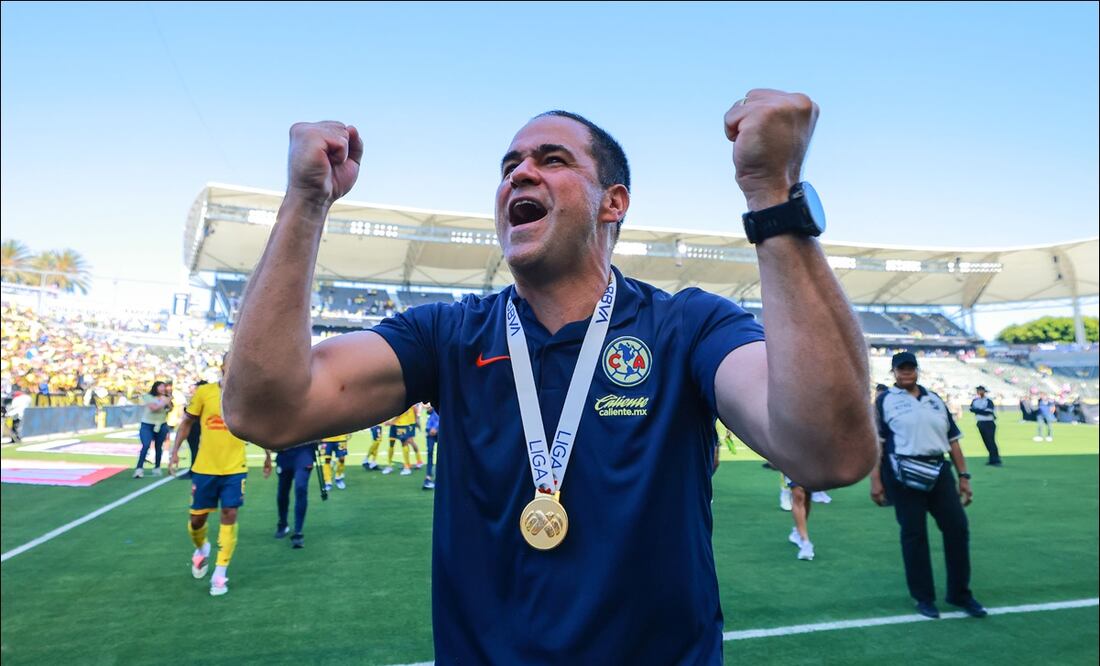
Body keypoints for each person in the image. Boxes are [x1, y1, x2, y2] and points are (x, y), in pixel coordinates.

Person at [225, 91, 878, 662]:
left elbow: (829, 449)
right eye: (509, 167)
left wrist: (771, 191)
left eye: (552, 160)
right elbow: (268, 411)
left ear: (612, 203)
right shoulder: (448, 335)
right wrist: (307, 201)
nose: (520, 174)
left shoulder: (687, 328)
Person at [870, 351, 987, 619]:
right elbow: (877, 443)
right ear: (893, 373)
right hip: (902, 473)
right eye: (901, 369)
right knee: (914, 535)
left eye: (910, 368)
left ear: (918, 370)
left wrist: (964, 476)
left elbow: (953, 440)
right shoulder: (884, 401)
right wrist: (875, 481)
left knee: (957, 528)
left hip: (938, 469)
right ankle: (924, 597)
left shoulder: (935, 399)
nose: (906, 372)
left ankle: (960, 593)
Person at [168, 357, 272, 596]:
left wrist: (267, 455)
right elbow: (186, 423)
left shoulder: (247, 396)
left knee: (230, 513)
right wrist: (175, 452)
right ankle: (201, 547)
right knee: (197, 520)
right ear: (224, 367)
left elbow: (257, 426)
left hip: (235, 468)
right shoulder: (204, 392)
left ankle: (220, 574)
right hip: (205, 468)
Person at [274, 441, 318, 548]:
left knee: (301, 487)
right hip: (284, 451)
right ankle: (283, 523)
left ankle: (298, 531)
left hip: (304, 450)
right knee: (282, 491)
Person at [134, 381, 172, 478]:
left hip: (161, 424)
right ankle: (139, 468)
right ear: (156, 387)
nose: (163, 389)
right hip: (147, 424)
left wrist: (168, 401)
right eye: (161, 387)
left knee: (159, 446)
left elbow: (170, 408)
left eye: (164, 387)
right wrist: (164, 401)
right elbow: (153, 408)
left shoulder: (166, 397)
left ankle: (157, 467)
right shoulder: (148, 396)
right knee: (146, 445)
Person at [382, 405, 420, 476]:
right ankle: (389, 465)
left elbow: (402, 411)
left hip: (403, 424)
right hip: (394, 424)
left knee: (404, 444)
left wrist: (391, 422)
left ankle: (407, 467)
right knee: (391, 444)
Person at [784, 475, 815, 560]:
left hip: (812, 463)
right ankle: (805, 542)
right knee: (799, 495)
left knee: (807, 495)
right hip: (792, 463)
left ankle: (798, 531)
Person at [969, 386, 1002, 466]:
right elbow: (971, 409)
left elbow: (988, 411)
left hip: (989, 422)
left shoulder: (988, 401)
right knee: (986, 441)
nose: (979, 392)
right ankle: (992, 459)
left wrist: (977, 410)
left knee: (991, 441)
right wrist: (981, 410)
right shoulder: (975, 400)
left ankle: (996, 459)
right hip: (980, 422)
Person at [423, 404, 439, 490]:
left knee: (441, 455)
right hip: (430, 431)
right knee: (429, 453)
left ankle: (438, 478)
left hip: (440, 431)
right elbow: (429, 413)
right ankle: (428, 477)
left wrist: (436, 428)